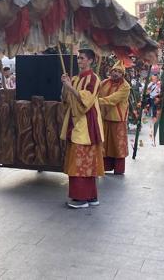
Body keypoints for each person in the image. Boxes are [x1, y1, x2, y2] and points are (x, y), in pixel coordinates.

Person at [60, 48, 104, 209]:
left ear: (91, 60)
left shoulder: (94, 78)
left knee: (81, 162)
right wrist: (66, 85)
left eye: (82, 58)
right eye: (78, 58)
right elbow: (67, 99)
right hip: (76, 123)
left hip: (86, 124)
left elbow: (86, 100)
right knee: (85, 161)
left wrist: (70, 87)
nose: (79, 61)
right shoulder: (77, 78)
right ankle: (91, 196)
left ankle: (81, 198)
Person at [98, 60, 131, 175]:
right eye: (114, 71)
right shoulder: (104, 82)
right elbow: (95, 91)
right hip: (104, 118)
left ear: (122, 74)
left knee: (118, 146)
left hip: (118, 119)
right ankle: (105, 167)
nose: (115, 73)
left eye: (118, 72)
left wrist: (96, 101)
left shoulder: (125, 86)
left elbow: (113, 99)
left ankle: (119, 169)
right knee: (105, 144)